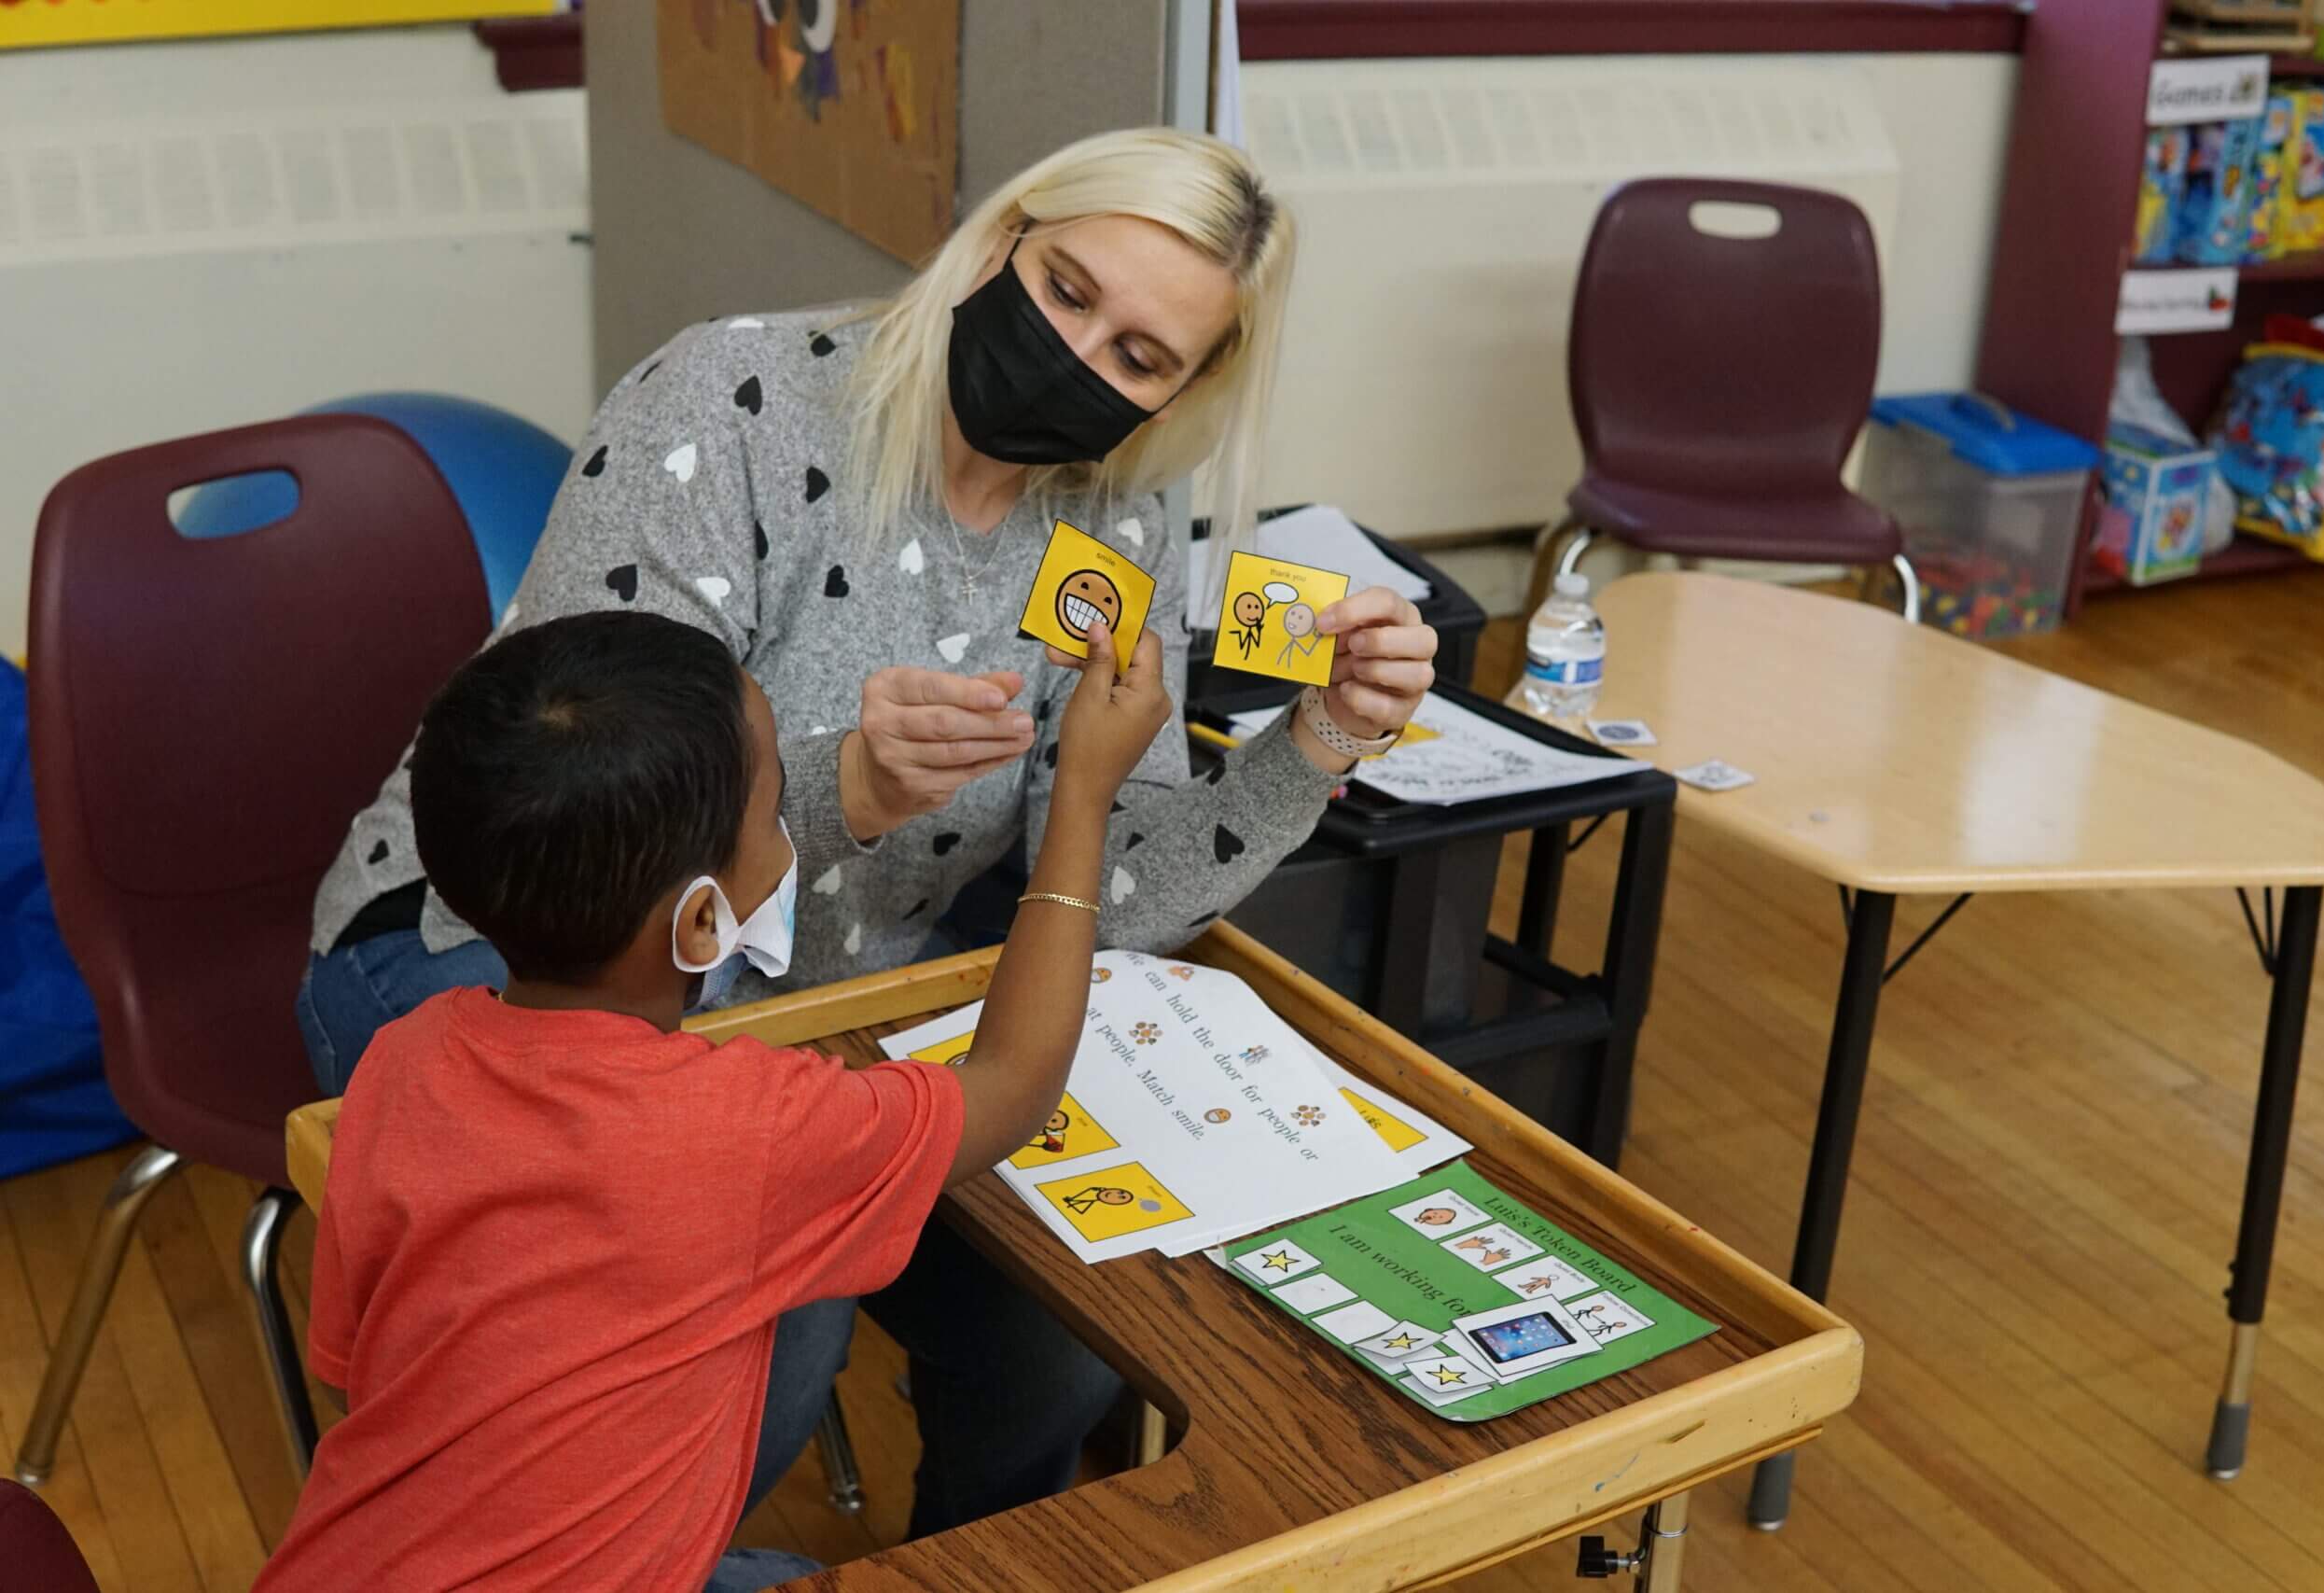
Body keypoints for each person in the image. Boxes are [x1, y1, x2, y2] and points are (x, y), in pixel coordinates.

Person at [296, 127, 1440, 1541]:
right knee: (772, 1328)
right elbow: (578, 811)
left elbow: (1109, 887)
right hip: (487, 943)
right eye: (1068, 288)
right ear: (1003, 234)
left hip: (825, 1005)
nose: (1078, 354)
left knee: (1060, 1331)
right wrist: (846, 784)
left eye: (1141, 358)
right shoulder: (735, 401)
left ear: (1183, 394)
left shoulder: (1112, 529)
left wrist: (1320, 739)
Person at [258, 609, 1170, 1593]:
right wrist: (1081, 790)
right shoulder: (748, 1128)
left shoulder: (401, 1061)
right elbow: (1012, 1084)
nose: (790, 828)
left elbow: (353, 1372)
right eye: (778, 808)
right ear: (701, 920)